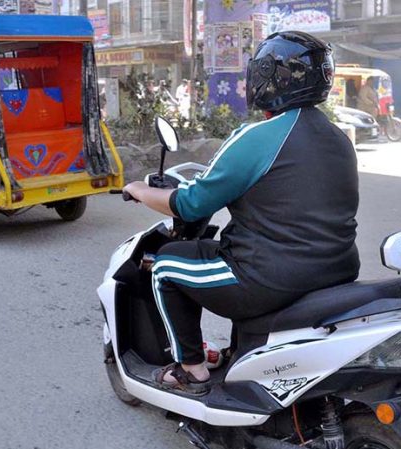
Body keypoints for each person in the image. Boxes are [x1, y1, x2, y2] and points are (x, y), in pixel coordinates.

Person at [123, 31, 360, 393]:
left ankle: (191, 369)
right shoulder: (339, 137)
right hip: (338, 270)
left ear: (266, 77)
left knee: (166, 264)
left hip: (272, 277)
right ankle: (240, 351)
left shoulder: (260, 136)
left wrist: (139, 190)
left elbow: (190, 203)